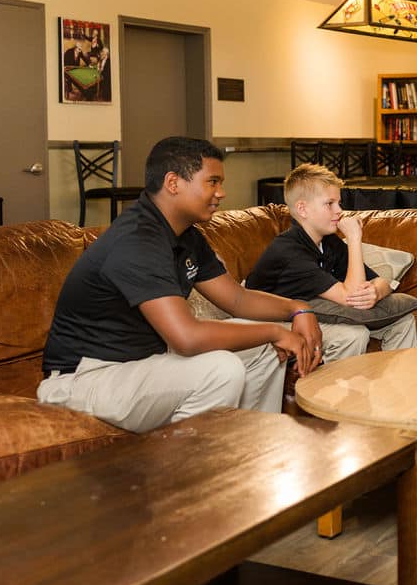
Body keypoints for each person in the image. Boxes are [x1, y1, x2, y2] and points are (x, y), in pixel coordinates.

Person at [38, 136, 323, 433]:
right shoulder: (137, 241)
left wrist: (297, 309)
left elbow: (236, 298)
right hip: (85, 379)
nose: (221, 193)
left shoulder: (186, 236)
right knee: (222, 370)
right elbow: (186, 338)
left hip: (143, 363)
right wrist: (276, 330)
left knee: (262, 347)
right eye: (212, 182)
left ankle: (252, 446)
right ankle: (190, 472)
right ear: (173, 183)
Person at [246, 163, 417, 359]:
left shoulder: (328, 242)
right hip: (267, 322)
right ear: (303, 209)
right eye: (330, 204)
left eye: (339, 203)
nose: (339, 211)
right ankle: (333, 390)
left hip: (309, 310)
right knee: (354, 335)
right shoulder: (289, 251)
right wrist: (354, 238)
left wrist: (377, 291)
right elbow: (351, 297)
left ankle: (397, 387)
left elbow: (379, 281)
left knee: (404, 321)